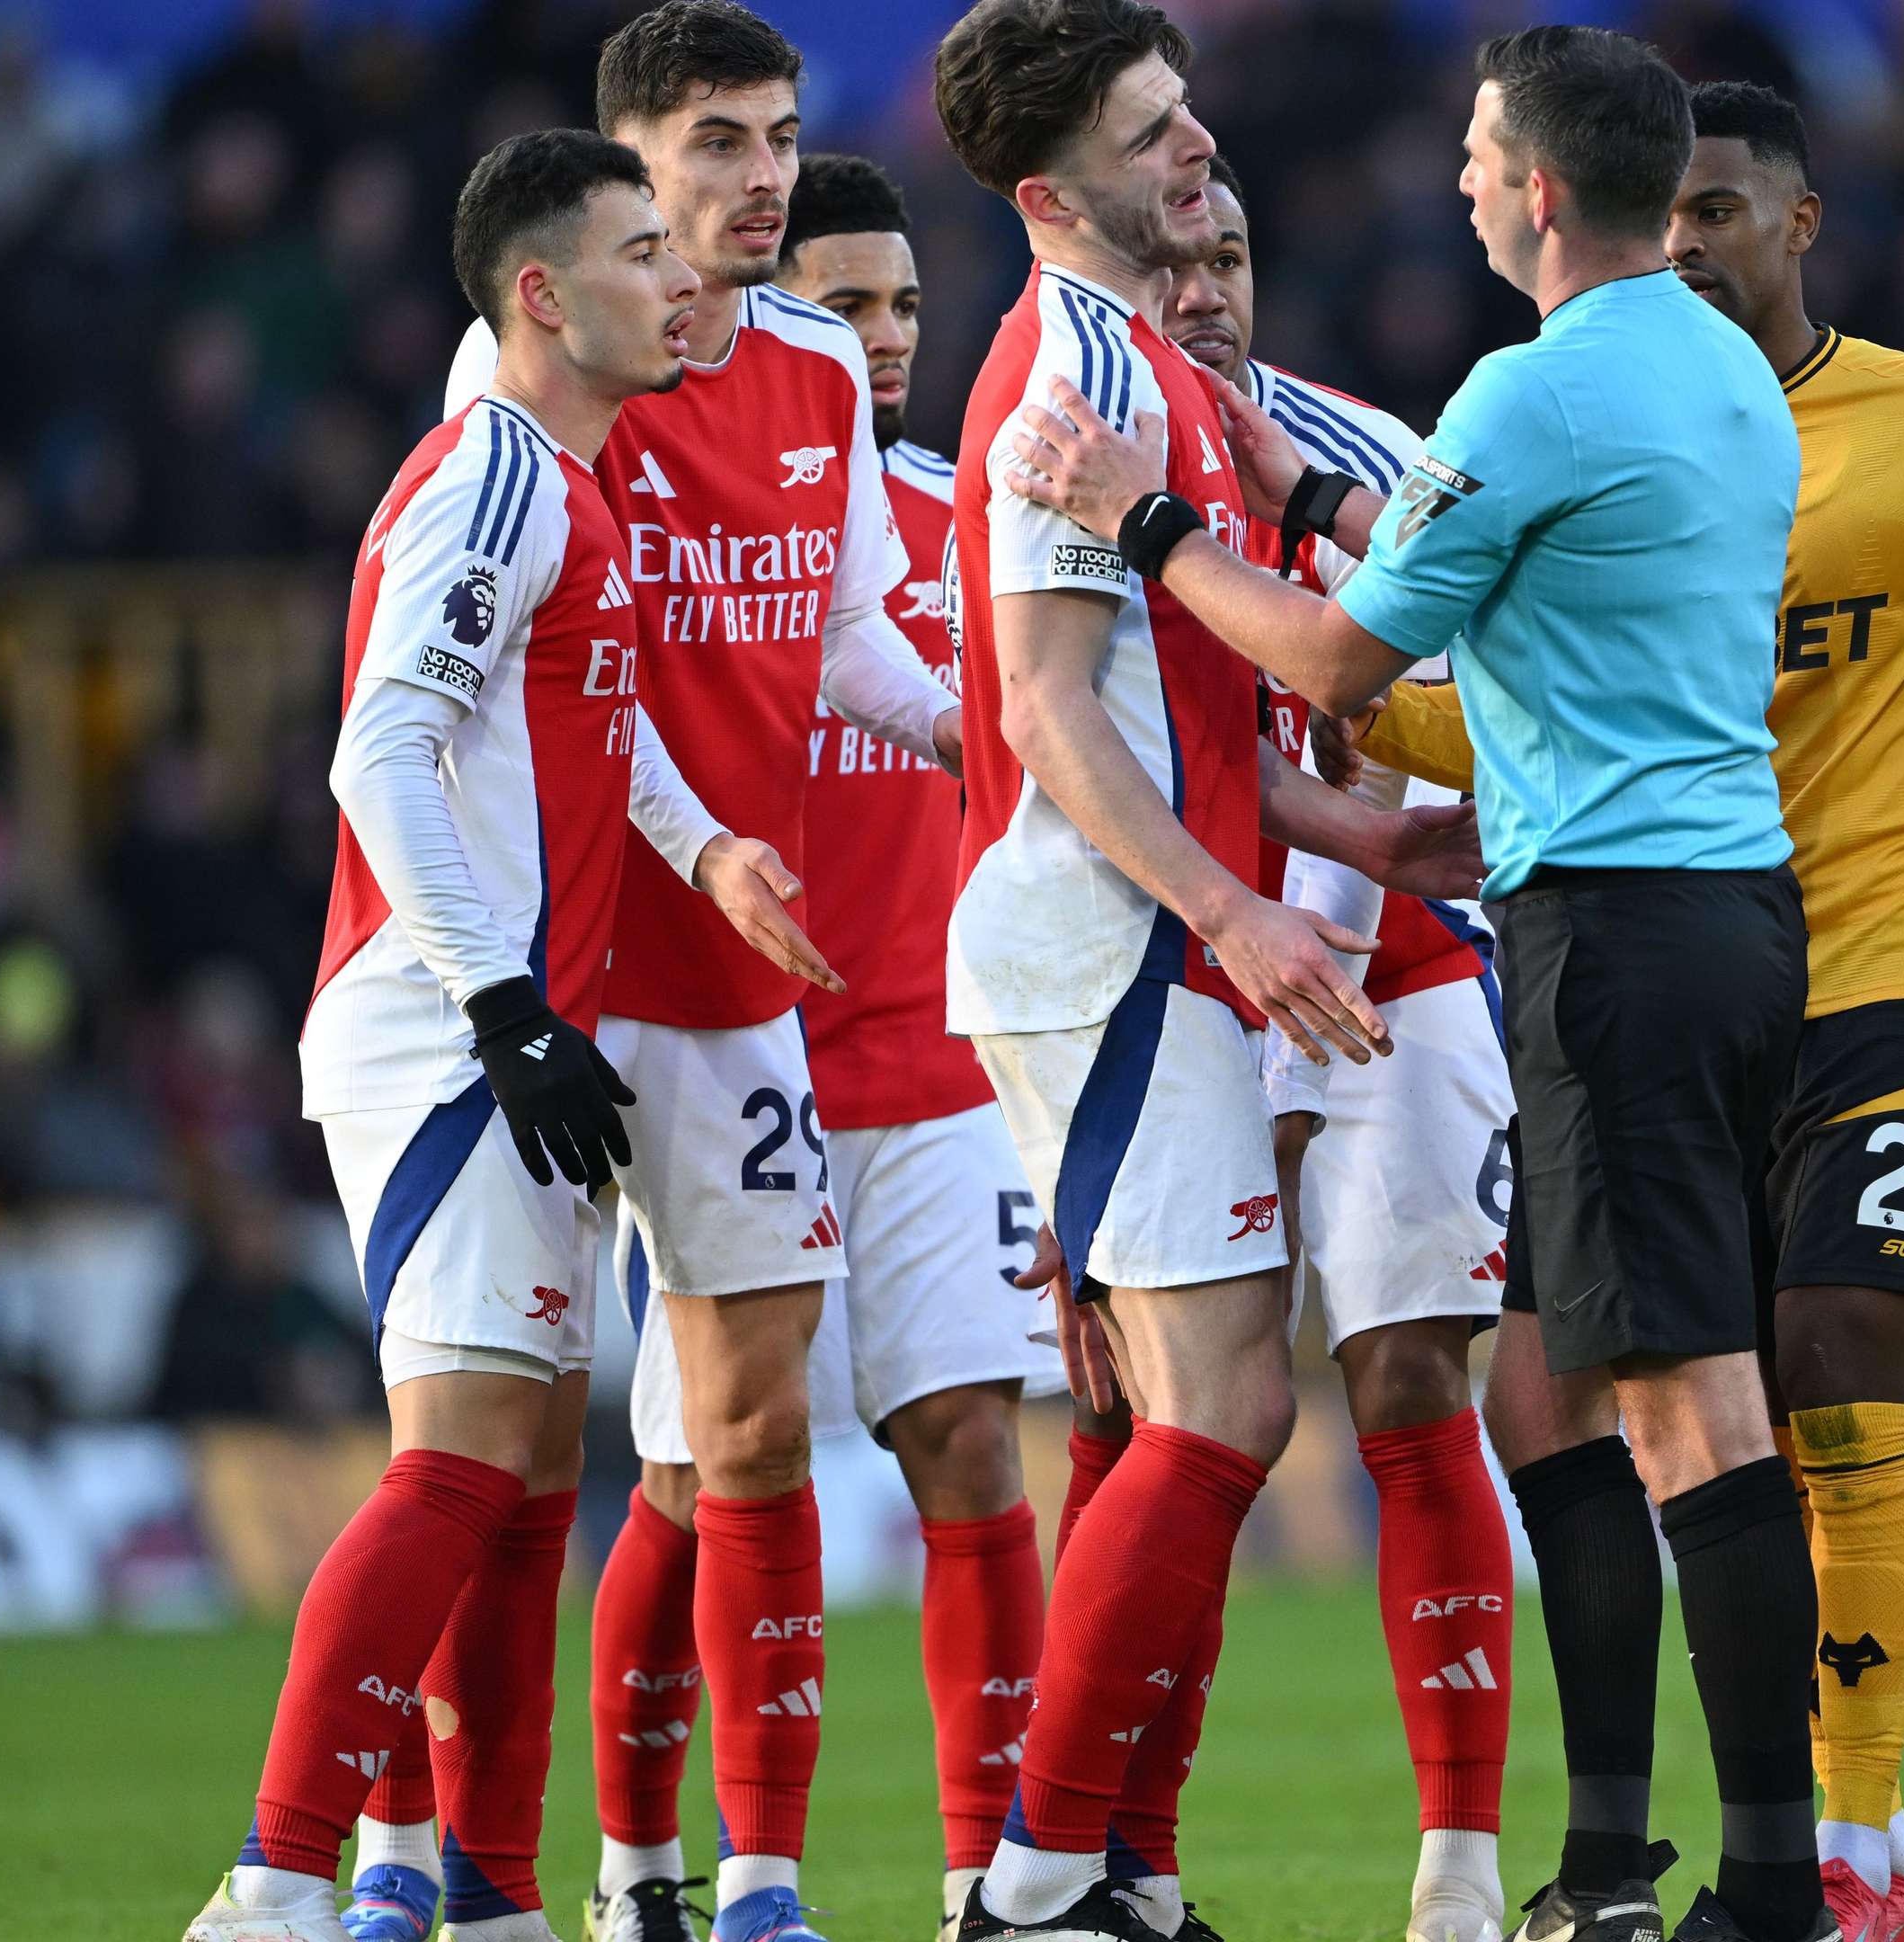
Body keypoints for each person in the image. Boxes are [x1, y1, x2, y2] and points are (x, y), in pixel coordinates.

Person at [997, 27, 1828, 1942]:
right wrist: (1298, 485)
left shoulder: (1525, 390)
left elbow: (1337, 660)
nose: (1456, 178)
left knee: (1693, 1405)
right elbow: (1531, 575)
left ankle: (1776, 1890)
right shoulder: (1712, 360)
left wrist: (1146, 516)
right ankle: (1616, 1863)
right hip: (1720, 905)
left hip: (1613, 930)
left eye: (1476, 153)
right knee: (1594, 1393)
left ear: (1539, 190)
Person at [1359, 78, 1904, 1942]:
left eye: (1731, 207)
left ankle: (1864, 1847)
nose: (1698, 239)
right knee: (1652, 1400)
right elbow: (1477, 693)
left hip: (1879, 949)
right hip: (1678, 953)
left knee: (1826, 1361)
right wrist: (1345, 710)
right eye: (1681, 209)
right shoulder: (1620, 411)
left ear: (1802, 223)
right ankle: (1704, 1844)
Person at [187, 127, 799, 1942]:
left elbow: (591, 733)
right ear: (540, 295)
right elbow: (377, 750)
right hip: (458, 1029)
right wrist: (507, 1003)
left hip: (520, 1017)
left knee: (531, 1479)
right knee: (463, 1458)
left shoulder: (568, 485)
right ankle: (280, 1882)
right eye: (638, 252)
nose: (680, 277)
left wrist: (702, 847)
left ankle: (492, 1894)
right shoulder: (500, 482)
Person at [925, 6, 1483, 1941]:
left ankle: (1117, 1871)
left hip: (1153, 931)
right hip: (1112, 940)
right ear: (1042, 190)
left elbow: (1194, 728)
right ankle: (1037, 1876)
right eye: (1147, 131)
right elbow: (1055, 715)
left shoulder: (1157, 365)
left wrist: (1368, 848)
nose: (1194, 150)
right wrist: (1232, 918)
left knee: (1186, 1410)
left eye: (1184, 113)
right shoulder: (1080, 370)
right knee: (1226, 1410)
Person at [435, 13, 975, 1940]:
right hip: (565, 964)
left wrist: (976, 734)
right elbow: (553, 682)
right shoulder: (544, 377)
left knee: (750, 1432)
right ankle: (478, 1862)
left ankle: (750, 1885)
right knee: (497, 1456)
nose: (761, 178)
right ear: (629, 172)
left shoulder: (823, 369)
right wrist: (697, 843)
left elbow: (838, 649)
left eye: (782, 138)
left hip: (746, 989)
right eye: (718, 145)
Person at [551, 150, 1072, 1942]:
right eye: (844, 305)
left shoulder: (970, 531)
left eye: (907, 307)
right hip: (728, 1050)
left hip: (932, 1079)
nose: (881, 339)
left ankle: (986, 1880)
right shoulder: (680, 490)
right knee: (700, 1481)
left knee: (975, 1454)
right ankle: (642, 1871)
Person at [1145, 154, 1518, 1942]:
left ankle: (1460, 1865)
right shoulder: (1069, 446)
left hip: (1393, 960)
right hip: (1180, 962)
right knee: (1151, 1414)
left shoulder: (1356, 445)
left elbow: (1426, 687)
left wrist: (1331, 974)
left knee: (1408, 1379)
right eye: (1178, 257)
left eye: (1228, 255)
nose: (1205, 286)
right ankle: (1115, 1854)